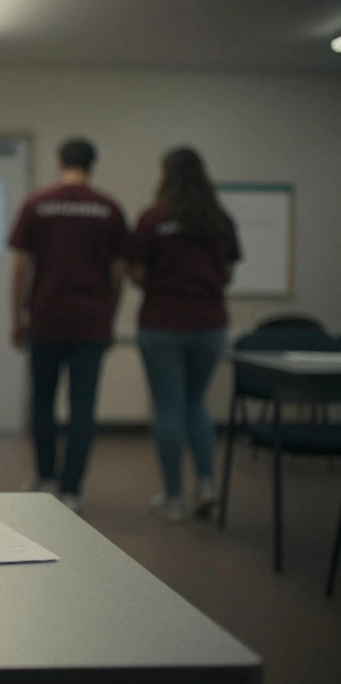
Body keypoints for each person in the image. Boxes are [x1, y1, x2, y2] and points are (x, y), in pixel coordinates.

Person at [9, 138, 128, 513]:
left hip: (46, 318)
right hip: (91, 321)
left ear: (60, 162)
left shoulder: (37, 204)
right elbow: (119, 271)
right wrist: (109, 316)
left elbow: (21, 266)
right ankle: (72, 488)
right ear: (92, 165)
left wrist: (18, 316)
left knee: (42, 401)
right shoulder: (108, 209)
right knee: (82, 407)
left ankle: (44, 477)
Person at [128, 147, 241, 523]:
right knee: (196, 404)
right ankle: (207, 484)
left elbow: (138, 273)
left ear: (166, 175)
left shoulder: (154, 218)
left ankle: (173, 498)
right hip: (210, 325)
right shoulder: (219, 219)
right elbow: (227, 272)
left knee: (169, 409)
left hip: (162, 323)